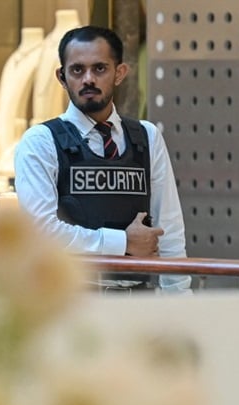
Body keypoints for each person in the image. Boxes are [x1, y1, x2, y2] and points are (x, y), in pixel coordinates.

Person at [14, 25, 191, 292]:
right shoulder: (40, 142)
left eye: (99, 68)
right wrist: (124, 243)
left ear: (119, 73)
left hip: (140, 301)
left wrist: (180, 298)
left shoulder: (147, 137)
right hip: (69, 302)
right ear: (62, 77)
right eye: (77, 70)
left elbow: (170, 230)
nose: (88, 79)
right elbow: (41, 233)